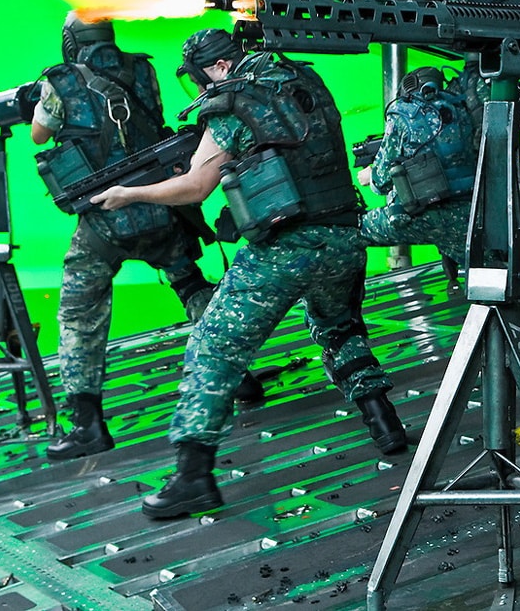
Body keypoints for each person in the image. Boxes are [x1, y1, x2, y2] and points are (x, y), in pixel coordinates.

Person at [91, 29, 407, 519]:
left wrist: (129, 194)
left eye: (199, 76)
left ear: (218, 68)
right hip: (346, 235)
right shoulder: (302, 80)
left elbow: (195, 187)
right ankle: (385, 423)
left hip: (286, 247)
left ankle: (193, 476)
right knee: (339, 328)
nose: (200, 86)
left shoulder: (232, 101)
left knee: (213, 345)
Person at [30, 14, 255, 462]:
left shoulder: (59, 81)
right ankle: (239, 377)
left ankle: (88, 425)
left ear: (71, 40)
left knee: (79, 313)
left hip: (106, 219)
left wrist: (36, 105)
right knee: (189, 282)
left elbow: (40, 134)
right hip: (160, 203)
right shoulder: (142, 69)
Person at [359, 65, 476, 278]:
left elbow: (382, 181)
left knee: (353, 231)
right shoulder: (461, 107)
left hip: (428, 216)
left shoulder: (402, 113)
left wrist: (370, 176)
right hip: (472, 211)